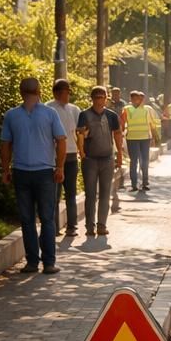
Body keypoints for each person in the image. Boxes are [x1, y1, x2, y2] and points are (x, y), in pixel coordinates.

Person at [0, 77, 66, 274]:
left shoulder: (11, 115)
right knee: (47, 218)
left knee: (27, 219)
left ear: (21, 92)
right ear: (39, 91)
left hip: (21, 173)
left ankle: (31, 263)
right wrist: (60, 167)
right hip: (45, 173)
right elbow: (61, 140)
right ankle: (49, 263)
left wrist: (5, 170)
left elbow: (5, 145)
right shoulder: (50, 113)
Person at [76, 86, 124, 238]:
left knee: (105, 194)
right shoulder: (84, 115)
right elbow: (80, 135)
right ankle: (90, 226)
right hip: (90, 160)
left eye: (102, 96)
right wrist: (82, 153)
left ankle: (102, 225)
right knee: (90, 194)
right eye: (96, 96)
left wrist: (120, 155)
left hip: (107, 159)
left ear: (106, 98)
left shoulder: (111, 115)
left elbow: (117, 134)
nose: (99, 99)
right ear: (92, 98)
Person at [48, 79, 81, 238]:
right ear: (56, 93)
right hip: (53, 157)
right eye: (64, 92)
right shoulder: (48, 108)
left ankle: (72, 226)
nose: (67, 95)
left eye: (68, 92)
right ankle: (54, 227)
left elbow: (80, 132)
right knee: (54, 194)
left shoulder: (74, 110)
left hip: (71, 156)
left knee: (71, 193)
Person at [122, 89, 158, 192]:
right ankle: (134, 185)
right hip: (132, 138)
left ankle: (145, 183)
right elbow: (122, 122)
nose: (137, 100)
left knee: (144, 161)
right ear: (131, 99)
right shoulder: (127, 109)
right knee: (134, 162)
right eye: (134, 99)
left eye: (138, 99)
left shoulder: (147, 110)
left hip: (145, 138)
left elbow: (152, 124)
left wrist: (154, 137)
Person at [106, 88, 125, 213]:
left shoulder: (115, 112)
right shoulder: (90, 115)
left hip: (113, 143)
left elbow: (118, 128)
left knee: (112, 173)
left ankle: (113, 196)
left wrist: (119, 150)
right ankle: (111, 197)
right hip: (101, 149)